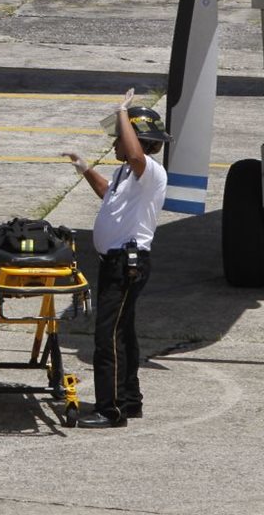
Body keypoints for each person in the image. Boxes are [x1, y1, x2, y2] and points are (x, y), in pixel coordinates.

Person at [62, 88, 168, 428]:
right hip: (116, 263)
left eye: (120, 137)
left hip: (127, 264)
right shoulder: (126, 174)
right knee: (124, 333)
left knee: (107, 336)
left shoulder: (148, 170)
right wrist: (84, 169)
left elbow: (136, 156)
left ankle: (111, 410)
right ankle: (130, 401)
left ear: (136, 138)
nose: (115, 143)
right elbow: (108, 193)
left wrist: (122, 111)